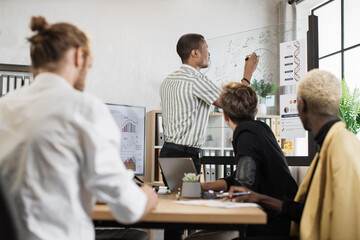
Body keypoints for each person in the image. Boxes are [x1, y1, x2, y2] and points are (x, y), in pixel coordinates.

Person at [0, 16, 158, 240]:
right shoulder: (83, 108)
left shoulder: (4, 107)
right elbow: (128, 209)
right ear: (78, 55)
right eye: (89, 64)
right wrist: (146, 196)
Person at [227, 69, 360, 240]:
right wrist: (258, 198)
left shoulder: (340, 148)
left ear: (302, 105)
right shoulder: (337, 142)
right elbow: (306, 212)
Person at [159, 33, 259, 240]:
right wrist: (247, 74)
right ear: (194, 53)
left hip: (169, 151)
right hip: (185, 154)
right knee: (188, 214)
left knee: (177, 215)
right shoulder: (196, 79)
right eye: (206, 49)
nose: (209, 53)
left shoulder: (168, 80)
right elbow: (236, 104)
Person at [193, 82, 298, 239]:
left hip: (271, 225)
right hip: (284, 217)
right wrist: (207, 186)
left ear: (225, 115)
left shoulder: (245, 133)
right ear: (255, 111)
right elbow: (243, 174)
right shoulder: (261, 129)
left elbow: (243, 185)